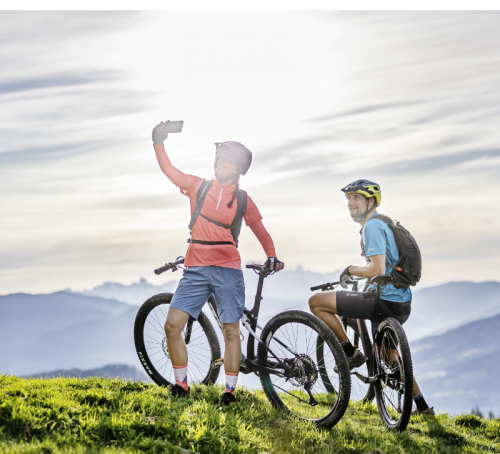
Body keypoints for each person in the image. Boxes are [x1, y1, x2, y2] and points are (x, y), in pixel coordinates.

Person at [152, 121, 284, 405]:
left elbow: (260, 230)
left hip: (227, 269)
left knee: (231, 331)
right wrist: (158, 142)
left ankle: (230, 391)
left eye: (224, 160)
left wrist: (271, 254)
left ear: (238, 169)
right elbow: (170, 171)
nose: (217, 163)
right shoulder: (198, 187)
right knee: (172, 326)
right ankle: (181, 385)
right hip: (195, 269)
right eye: (216, 159)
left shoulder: (242, 200)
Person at [309, 179, 434, 416]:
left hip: (381, 301)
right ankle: (422, 406)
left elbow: (377, 270)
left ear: (371, 201)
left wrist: (351, 270)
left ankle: (350, 353)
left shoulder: (373, 226)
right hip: (401, 303)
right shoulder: (385, 223)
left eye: (356, 198)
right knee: (389, 355)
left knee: (316, 302)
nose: (350, 203)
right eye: (348, 199)